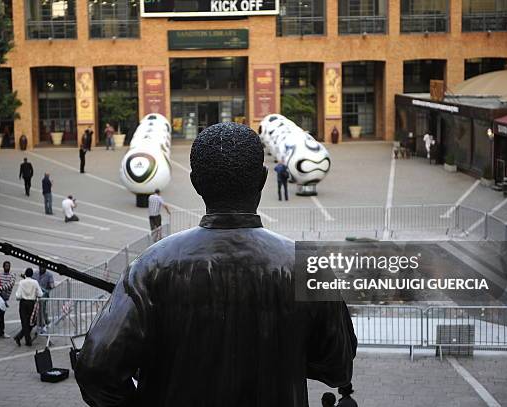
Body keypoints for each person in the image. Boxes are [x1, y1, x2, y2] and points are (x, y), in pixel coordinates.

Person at [75, 122, 357, 407]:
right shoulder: (308, 266)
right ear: (261, 180)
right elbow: (338, 366)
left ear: (196, 183)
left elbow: (96, 369)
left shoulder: (151, 265)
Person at [13, 268, 43, 346]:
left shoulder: (22, 282)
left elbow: (18, 295)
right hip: (31, 303)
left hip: (23, 303)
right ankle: (25, 339)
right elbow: (40, 294)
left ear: (25, 274)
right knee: (32, 322)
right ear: (32, 274)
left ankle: (23, 338)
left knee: (24, 322)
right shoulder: (35, 282)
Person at [34, 265, 55, 334]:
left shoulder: (49, 275)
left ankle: (43, 323)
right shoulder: (35, 273)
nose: (42, 268)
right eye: (41, 267)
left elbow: (52, 285)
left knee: (42, 309)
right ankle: (42, 322)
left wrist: (51, 286)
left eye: (43, 267)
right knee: (37, 309)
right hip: (35, 295)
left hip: (44, 295)